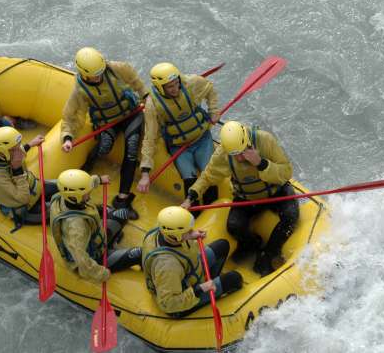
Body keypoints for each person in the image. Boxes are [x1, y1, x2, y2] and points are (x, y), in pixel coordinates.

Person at [182, 121, 299, 276]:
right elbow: (208, 177)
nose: (238, 158)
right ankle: (253, 243)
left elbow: (286, 171)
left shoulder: (265, 141)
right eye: (233, 154)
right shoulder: (223, 154)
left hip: (276, 191)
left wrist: (261, 163)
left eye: (242, 152)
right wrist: (191, 197)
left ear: (248, 142)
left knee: (290, 216)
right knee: (234, 226)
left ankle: (268, 254)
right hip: (247, 197)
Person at [60, 47, 147, 220]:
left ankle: (122, 200)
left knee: (131, 150)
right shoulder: (81, 89)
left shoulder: (117, 68)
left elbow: (137, 83)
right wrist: (67, 137)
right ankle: (84, 174)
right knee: (104, 147)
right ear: (84, 74)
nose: (99, 76)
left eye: (101, 71)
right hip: (108, 121)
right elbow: (71, 116)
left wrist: (146, 96)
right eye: (94, 74)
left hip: (131, 114)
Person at [137, 62, 220, 206]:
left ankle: (211, 209)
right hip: (179, 147)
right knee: (189, 179)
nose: (175, 89)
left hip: (202, 139)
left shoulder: (190, 82)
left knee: (209, 176)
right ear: (159, 87)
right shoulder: (152, 105)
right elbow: (150, 137)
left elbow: (209, 88)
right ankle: (194, 212)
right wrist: (145, 172)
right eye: (170, 86)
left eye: (176, 83)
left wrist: (214, 110)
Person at [142, 206, 243, 317]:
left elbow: (180, 241)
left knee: (222, 245)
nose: (191, 230)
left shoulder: (164, 232)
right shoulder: (168, 267)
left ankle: (212, 284)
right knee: (234, 278)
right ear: (176, 236)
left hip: (188, 273)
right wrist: (201, 289)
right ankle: (211, 291)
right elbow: (169, 303)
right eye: (188, 231)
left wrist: (190, 235)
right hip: (182, 301)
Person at [49, 169, 142, 284]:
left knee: (123, 213)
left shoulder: (63, 197)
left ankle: (111, 242)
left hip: (95, 239)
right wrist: (101, 273)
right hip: (96, 257)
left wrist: (98, 179)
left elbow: (84, 185)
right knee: (139, 253)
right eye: (86, 192)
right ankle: (111, 251)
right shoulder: (76, 228)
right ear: (75, 197)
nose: (89, 192)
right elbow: (81, 260)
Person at [0, 126, 53, 232]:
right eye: (15, 149)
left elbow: (17, 151)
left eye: (19, 146)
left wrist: (30, 144)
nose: (19, 151)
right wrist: (17, 170)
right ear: (3, 151)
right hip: (24, 207)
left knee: (59, 186)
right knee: (57, 211)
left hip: (33, 188)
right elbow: (23, 199)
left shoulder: (4, 154)